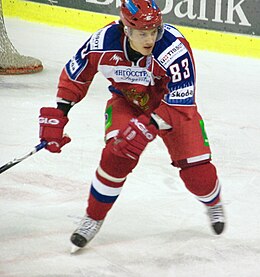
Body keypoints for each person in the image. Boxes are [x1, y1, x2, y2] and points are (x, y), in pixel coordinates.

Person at [38, 0, 225, 253]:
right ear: (126, 30)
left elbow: (180, 100)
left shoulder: (174, 48)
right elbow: (76, 76)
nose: (150, 39)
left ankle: (213, 203)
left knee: (198, 174)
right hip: (128, 103)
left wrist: (148, 125)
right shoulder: (102, 43)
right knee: (117, 154)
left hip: (173, 110)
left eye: (153, 31)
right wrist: (59, 115)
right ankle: (93, 218)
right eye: (142, 33)